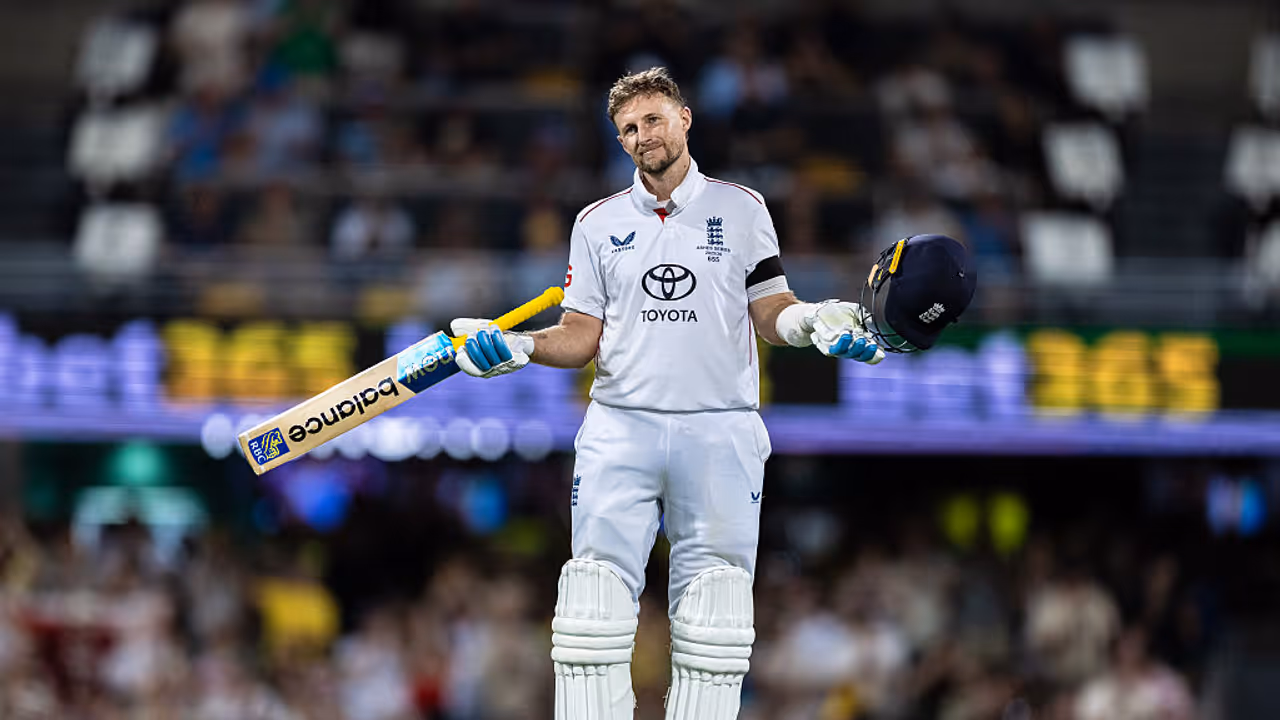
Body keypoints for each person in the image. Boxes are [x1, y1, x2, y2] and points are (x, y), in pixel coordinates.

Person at [449, 67, 976, 719]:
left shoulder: (742, 208)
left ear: (685, 118)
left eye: (653, 120)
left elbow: (771, 310)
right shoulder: (596, 223)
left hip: (720, 428)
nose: (644, 136)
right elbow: (580, 335)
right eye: (629, 129)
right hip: (621, 424)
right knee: (590, 609)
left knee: (717, 616)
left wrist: (813, 321)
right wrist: (519, 348)